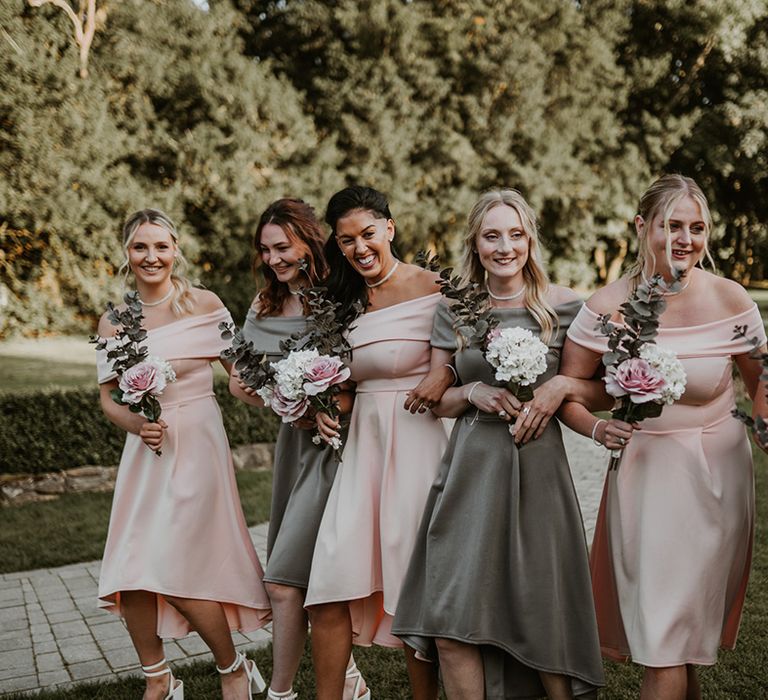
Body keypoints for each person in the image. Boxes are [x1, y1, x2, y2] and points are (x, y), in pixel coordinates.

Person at [392, 189, 606, 699]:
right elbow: (437, 400)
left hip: (537, 473)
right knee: (450, 620)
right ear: (475, 243)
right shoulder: (455, 309)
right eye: (492, 235)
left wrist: (561, 388)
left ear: (530, 239)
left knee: (540, 615)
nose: (504, 246)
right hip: (470, 473)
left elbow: (603, 393)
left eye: (514, 234)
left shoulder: (567, 309)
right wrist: (471, 390)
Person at [560, 174, 768, 700]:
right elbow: (570, 393)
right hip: (647, 477)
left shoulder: (731, 298)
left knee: (682, 636)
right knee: (663, 637)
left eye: (696, 228)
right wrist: (598, 426)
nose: (685, 238)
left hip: (719, 479)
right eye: (672, 225)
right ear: (641, 227)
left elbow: (760, 379)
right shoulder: (607, 306)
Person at [96, 209, 270, 700]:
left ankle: (232, 667)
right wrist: (135, 422)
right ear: (127, 254)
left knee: (172, 568)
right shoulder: (115, 320)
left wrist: (273, 389)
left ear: (176, 250)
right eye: (140, 247)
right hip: (145, 451)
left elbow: (238, 371)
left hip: (196, 446)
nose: (152, 257)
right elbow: (108, 398)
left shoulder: (206, 304)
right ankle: (159, 679)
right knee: (132, 570)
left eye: (161, 246)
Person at [307, 186, 454, 700]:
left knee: (415, 586)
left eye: (368, 234)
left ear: (390, 227)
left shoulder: (437, 288)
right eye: (346, 241)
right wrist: (324, 407)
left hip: (417, 448)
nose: (359, 248)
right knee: (329, 581)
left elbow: (462, 363)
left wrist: (450, 370)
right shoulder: (341, 301)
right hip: (362, 453)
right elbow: (347, 388)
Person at [228, 198, 363, 700]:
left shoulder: (341, 297)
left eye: (282, 247)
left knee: (285, 582)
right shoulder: (263, 305)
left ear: (309, 242)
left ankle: (279, 694)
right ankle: (348, 681)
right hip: (295, 445)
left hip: (336, 448)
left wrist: (328, 401)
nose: (273, 259)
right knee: (302, 580)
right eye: (265, 250)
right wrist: (281, 398)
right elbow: (239, 380)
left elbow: (366, 367)